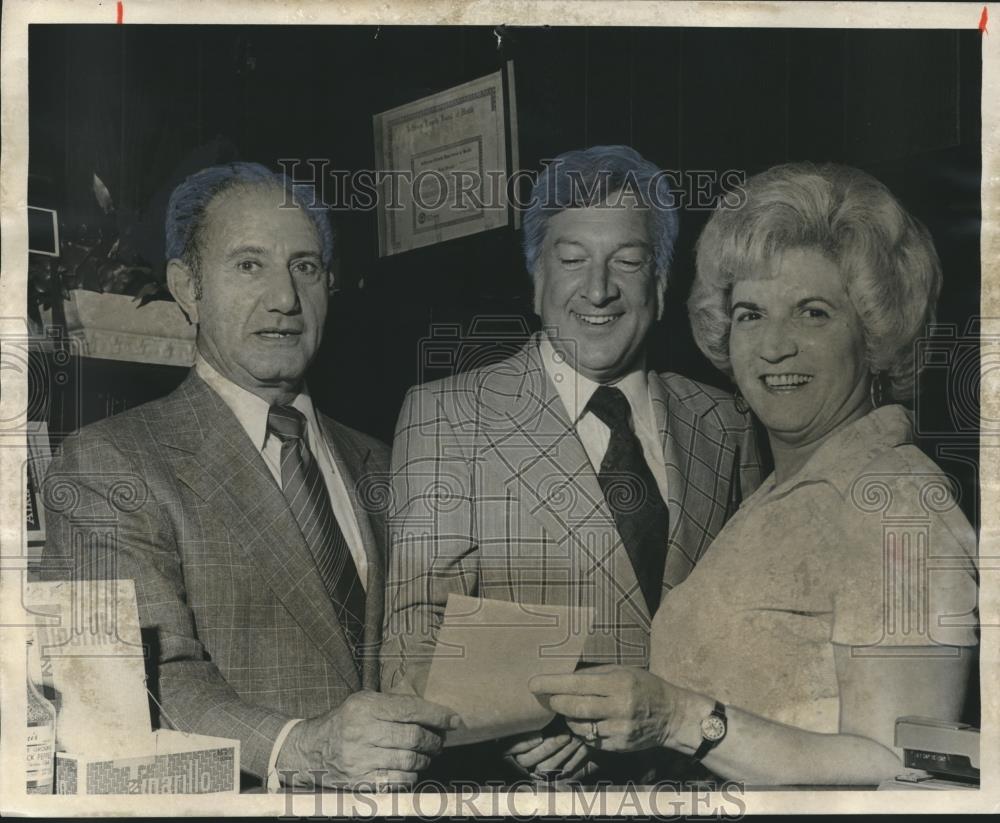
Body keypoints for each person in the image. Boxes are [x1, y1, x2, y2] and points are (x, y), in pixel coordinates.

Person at [530, 162, 978, 785]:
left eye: (813, 312)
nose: (773, 347)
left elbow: (908, 774)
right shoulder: (774, 495)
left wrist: (679, 719)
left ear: (874, 333)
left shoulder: (897, 504)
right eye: (750, 314)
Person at [41, 162, 457, 791]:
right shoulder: (108, 464)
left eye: (306, 267)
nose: (285, 299)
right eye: (248, 265)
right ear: (187, 287)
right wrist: (301, 748)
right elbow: (148, 681)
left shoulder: (387, 460)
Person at [382, 145, 762, 782]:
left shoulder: (725, 419)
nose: (598, 288)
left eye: (628, 261)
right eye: (571, 260)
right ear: (537, 280)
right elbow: (410, 643)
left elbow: (749, 621)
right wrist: (540, 712)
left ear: (661, 284)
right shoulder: (446, 415)